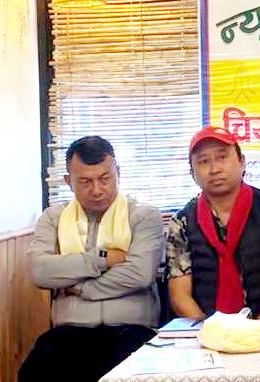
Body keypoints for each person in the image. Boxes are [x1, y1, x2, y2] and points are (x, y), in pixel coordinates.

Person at [19, 136, 165, 382]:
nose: (97, 190)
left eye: (104, 179)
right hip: (69, 334)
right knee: (33, 372)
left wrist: (79, 287)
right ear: (68, 181)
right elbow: (40, 271)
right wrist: (101, 259)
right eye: (85, 181)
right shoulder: (53, 218)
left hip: (131, 332)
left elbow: (139, 274)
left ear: (118, 173)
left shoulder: (143, 216)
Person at [166, 127, 260, 319]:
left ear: (242, 162)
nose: (215, 169)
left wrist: (258, 328)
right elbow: (179, 295)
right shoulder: (181, 222)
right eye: (203, 162)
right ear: (192, 173)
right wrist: (212, 331)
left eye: (222, 157)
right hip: (205, 329)